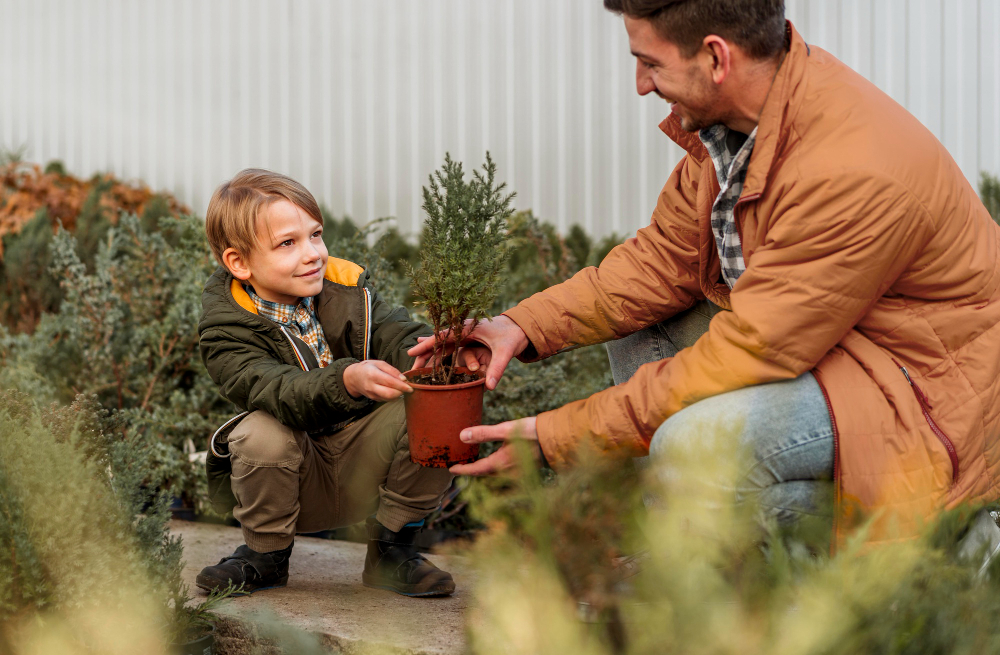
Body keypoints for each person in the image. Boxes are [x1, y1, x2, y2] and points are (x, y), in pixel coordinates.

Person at [410, 0, 1000, 545]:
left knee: (691, 448)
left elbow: (749, 350)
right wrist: (520, 326)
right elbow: (664, 259)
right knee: (642, 337)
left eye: (650, 64)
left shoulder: (849, 169)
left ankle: (947, 542)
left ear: (717, 57)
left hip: (916, 389)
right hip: (832, 346)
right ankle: (691, 544)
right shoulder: (743, 127)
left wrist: (554, 438)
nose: (641, 85)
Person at [197, 169, 455, 596]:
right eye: (288, 243)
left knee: (436, 406)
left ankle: (392, 551)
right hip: (294, 481)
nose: (313, 253)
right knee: (260, 431)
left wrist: (438, 351)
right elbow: (277, 390)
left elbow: (396, 334)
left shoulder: (347, 288)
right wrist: (347, 379)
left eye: (315, 235)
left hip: (366, 470)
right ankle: (265, 556)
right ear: (239, 262)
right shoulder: (226, 328)